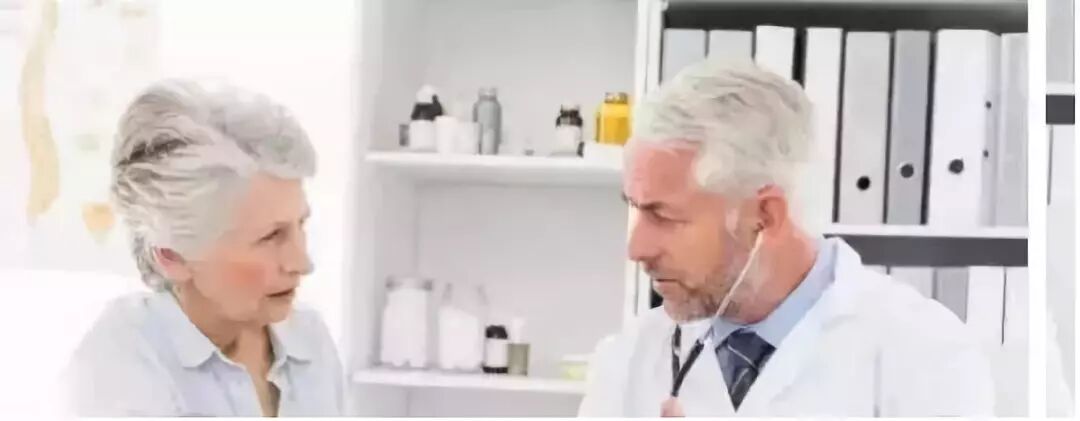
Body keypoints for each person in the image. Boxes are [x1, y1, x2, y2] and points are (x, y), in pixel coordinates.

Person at [577, 60, 995, 417]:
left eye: (664, 216)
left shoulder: (926, 352)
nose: (636, 249)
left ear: (765, 216)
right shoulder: (627, 360)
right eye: (635, 209)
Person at [60, 79, 344, 416]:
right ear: (171, 254)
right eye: (271, 237)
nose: (302, 262)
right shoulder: (120, 362)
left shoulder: (309, 339)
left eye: (301, 225)